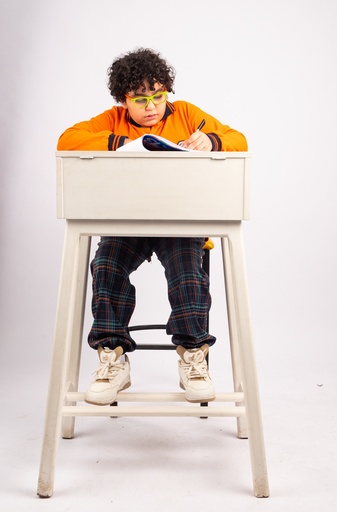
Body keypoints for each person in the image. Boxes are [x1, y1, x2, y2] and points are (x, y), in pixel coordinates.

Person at [57, 47, 248, 406]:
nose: (151, 107)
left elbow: (239, 139)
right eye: (140, 99)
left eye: (158, 96)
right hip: (127, 221)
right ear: (123, 99)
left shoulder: (187, 113)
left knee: (188, 269)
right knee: (107, 264)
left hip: (178, 219)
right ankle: (113, 358)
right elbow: (68, 139)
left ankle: (193, 355)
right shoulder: (113, 120)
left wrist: (211, 140)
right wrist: (119, 145)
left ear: (167, 93)